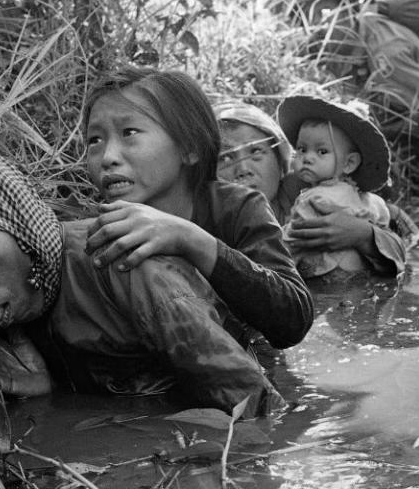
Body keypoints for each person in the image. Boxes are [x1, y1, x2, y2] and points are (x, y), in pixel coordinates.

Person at [0, 140, 283, 417]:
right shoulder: (5, 306)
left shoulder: (126, 267)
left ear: (11, 216)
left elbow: (259, 411)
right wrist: (48, 388)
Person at [81, 67, 312, 354]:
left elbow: (294, 319)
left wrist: (192, 240)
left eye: (129, 132)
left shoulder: (237, 208)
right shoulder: (94, 230)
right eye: (95, 140)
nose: (108, 157)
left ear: (189, 148)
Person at [215, 101, 414, 278]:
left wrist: (364, 234)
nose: (242, 170)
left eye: (256, 152)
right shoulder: (212, 223)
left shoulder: (318, 194)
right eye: (225, 158)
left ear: (280, 161)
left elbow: (401, 235)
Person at [276, 95, 393, 279]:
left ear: (349, 163)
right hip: (359, 276)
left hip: (321, 277)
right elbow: (384, 222)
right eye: (302, 149)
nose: (307, 158)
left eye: (321, 151)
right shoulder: (372, 201)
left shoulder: (312, 199)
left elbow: (291, 242)